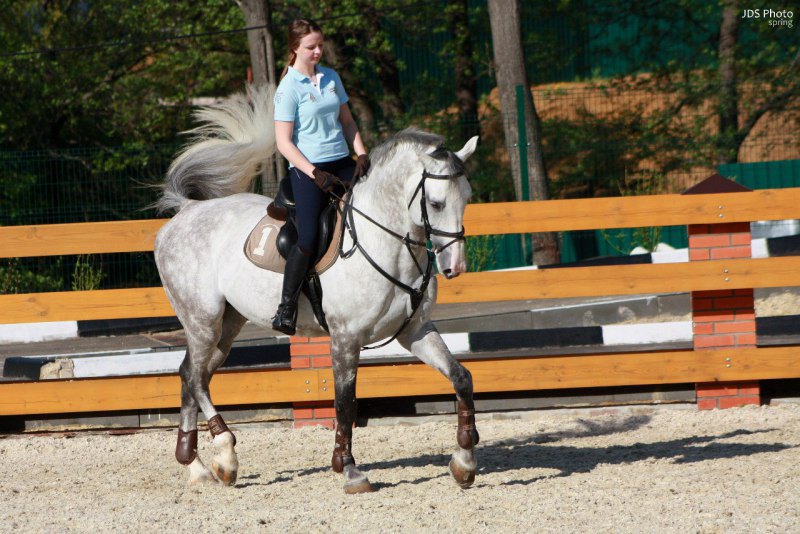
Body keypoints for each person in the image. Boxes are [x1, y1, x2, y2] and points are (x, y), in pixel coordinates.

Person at [271, 18, 370, 335]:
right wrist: (315, 173)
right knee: (309, 237)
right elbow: (283, 143)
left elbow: (348, 121)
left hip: (341, 160)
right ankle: (285, 308)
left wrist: (362, 153)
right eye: (311, 47)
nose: (318, 51)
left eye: (320, 45)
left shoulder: (331, 77)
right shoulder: (288, 87)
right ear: (295, 48)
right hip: (307, 169)